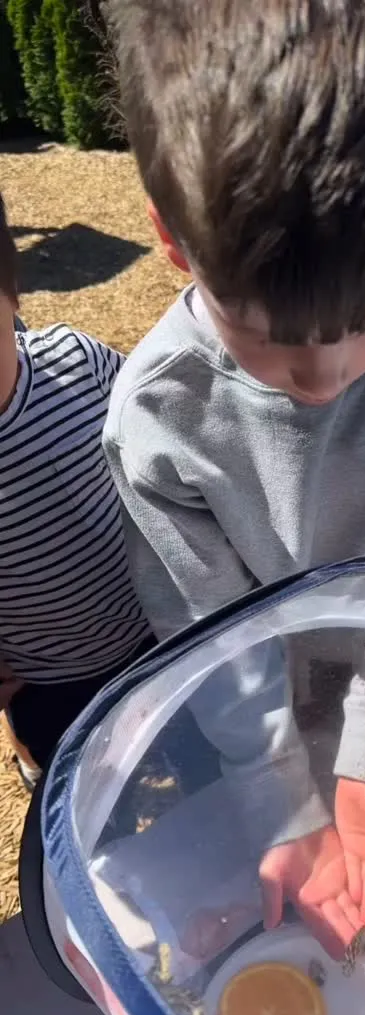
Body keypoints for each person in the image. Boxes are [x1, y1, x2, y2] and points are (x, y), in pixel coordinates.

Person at [103, 0, 365, 953]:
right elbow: (214, 646)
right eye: (272, 341)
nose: (323, 384)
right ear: (173, 239)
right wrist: (285, 802)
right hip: (250, 705)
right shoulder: (158, 418)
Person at [0, 191, 153, 787]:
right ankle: (35, 763)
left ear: (12, 296)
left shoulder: (76, 362)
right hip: (51, 680)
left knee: (195, 762)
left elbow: (157, 429)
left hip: (152, 631)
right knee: (92, 798)